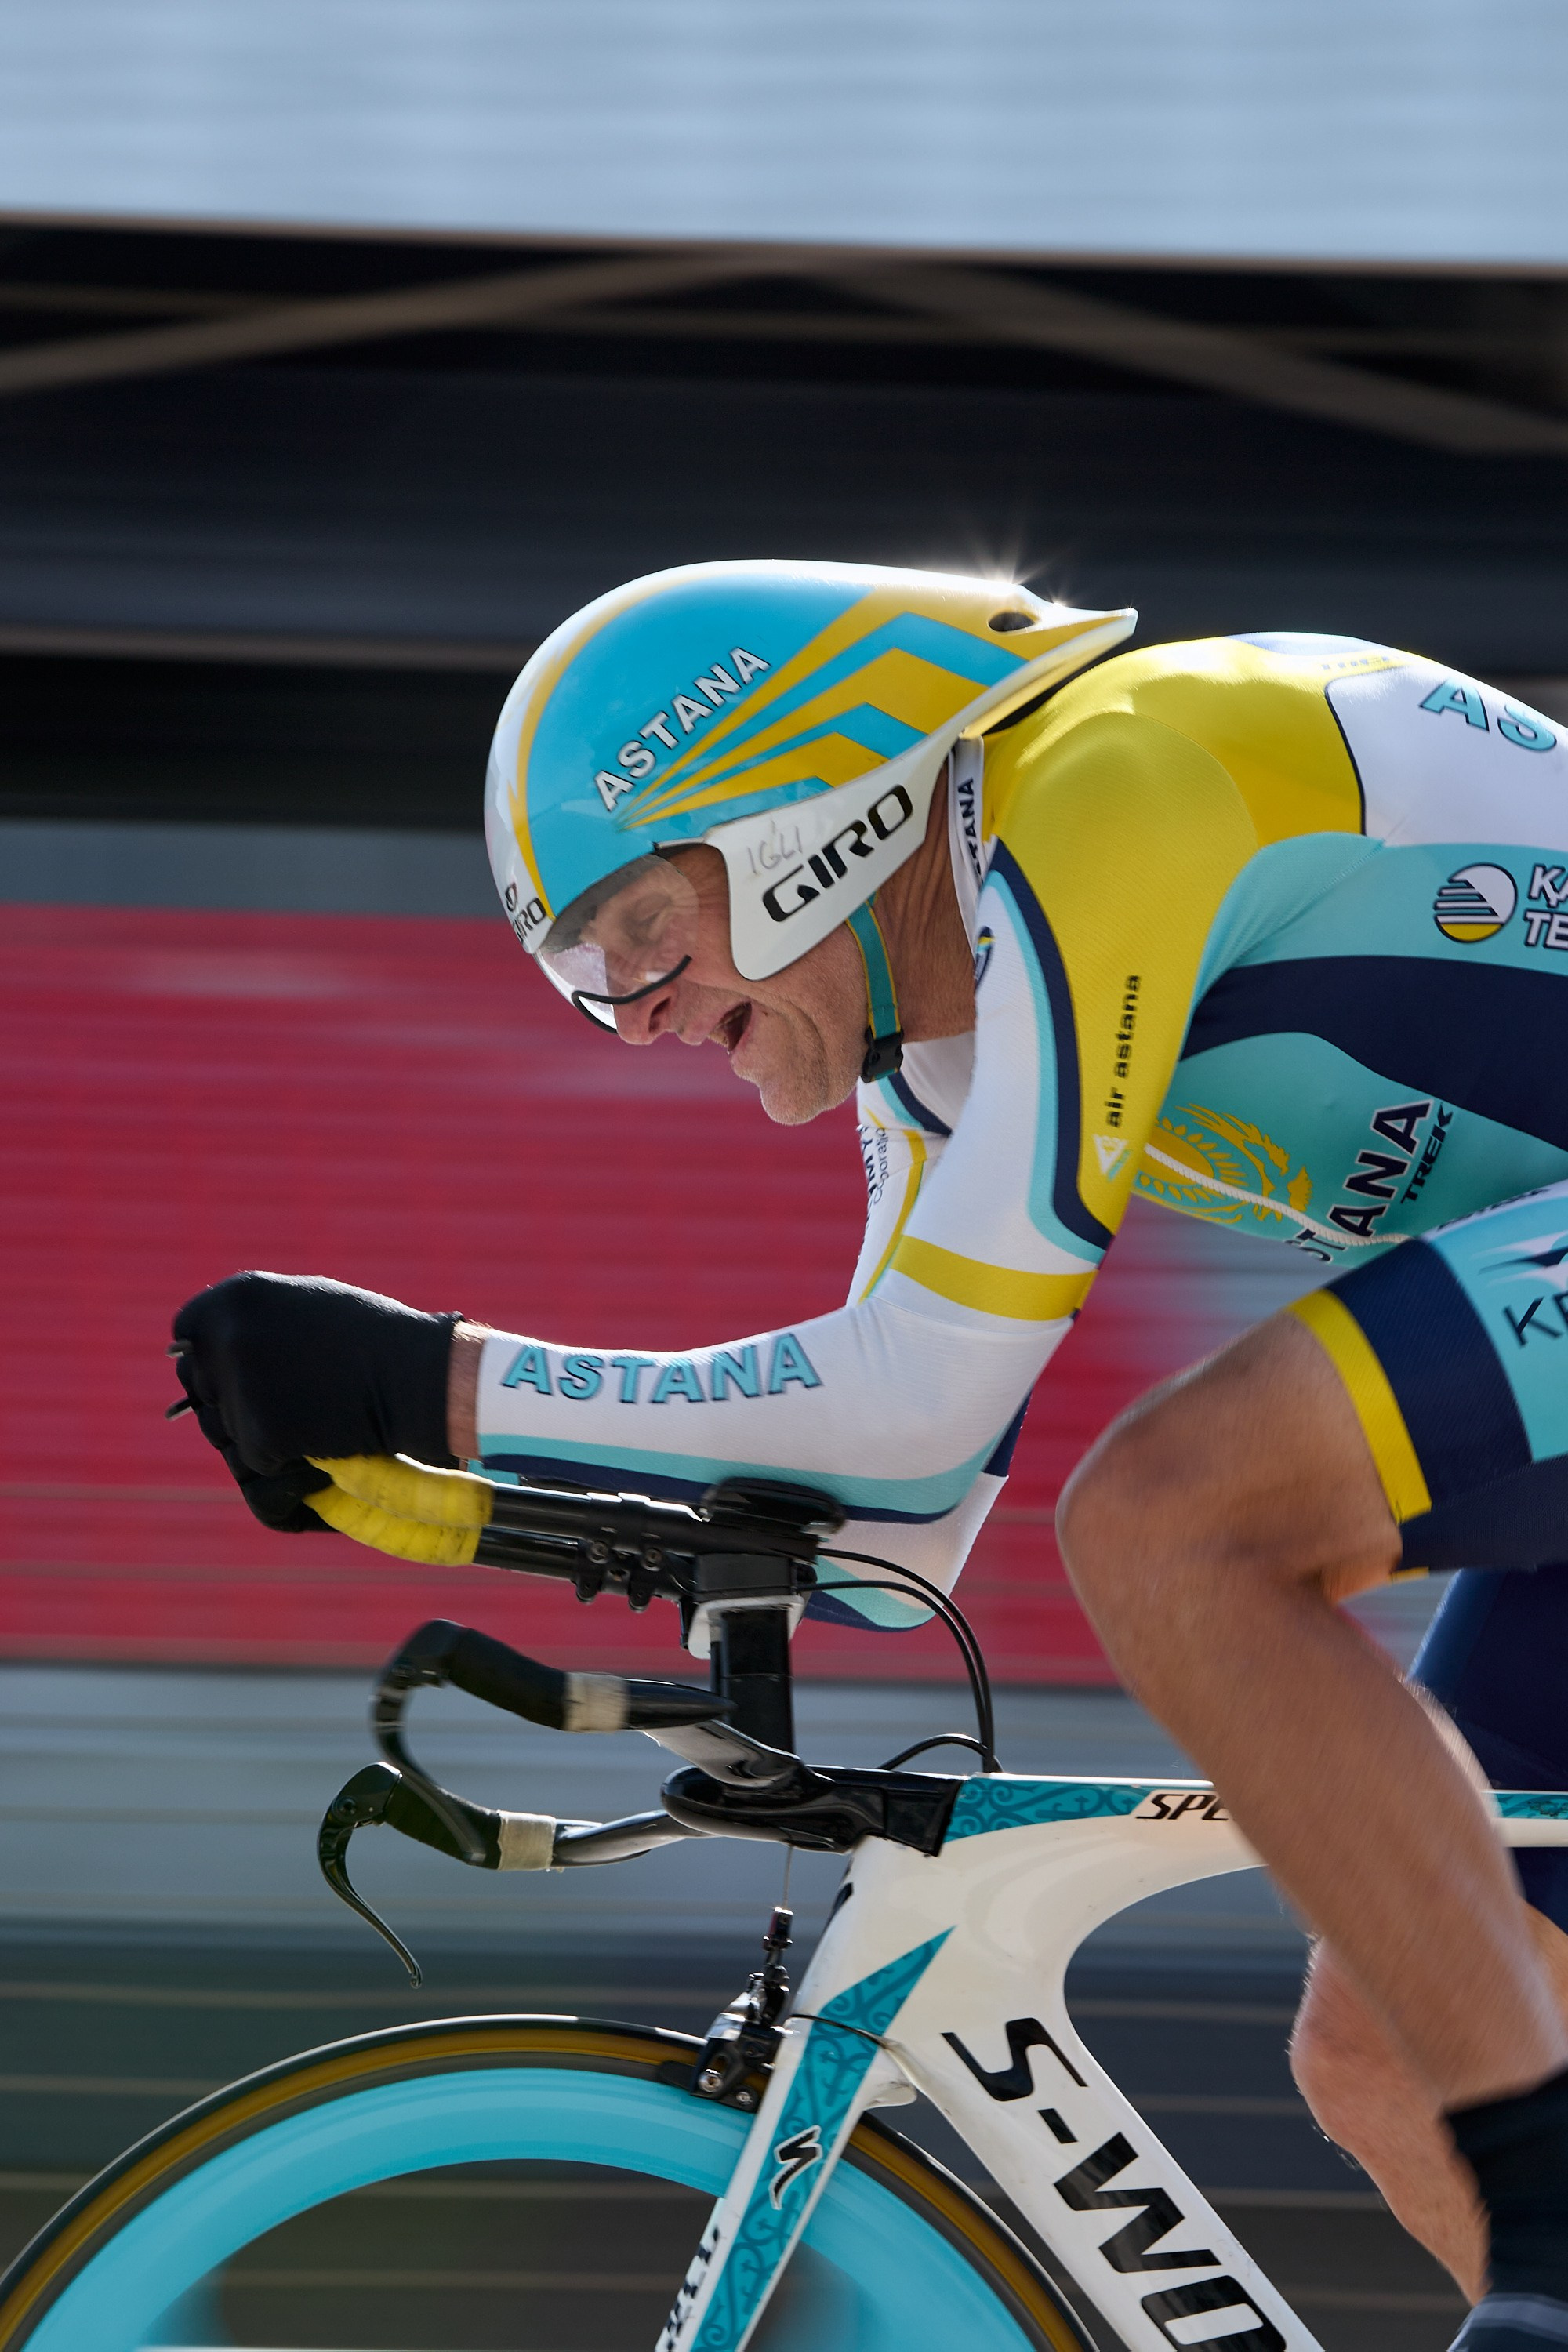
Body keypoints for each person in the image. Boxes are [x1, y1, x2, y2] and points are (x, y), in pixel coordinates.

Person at [172, 559, 1568, 2346]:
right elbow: (895, 1531)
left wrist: (428, 1379)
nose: (638, 1011)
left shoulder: (1111, 787)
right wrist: (509, 1528)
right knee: (1395, 2043)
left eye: (640, 933)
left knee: (1176, 1520)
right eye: (586, 979)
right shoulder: (943, 1047)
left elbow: (907, 1401)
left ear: (808, 818)